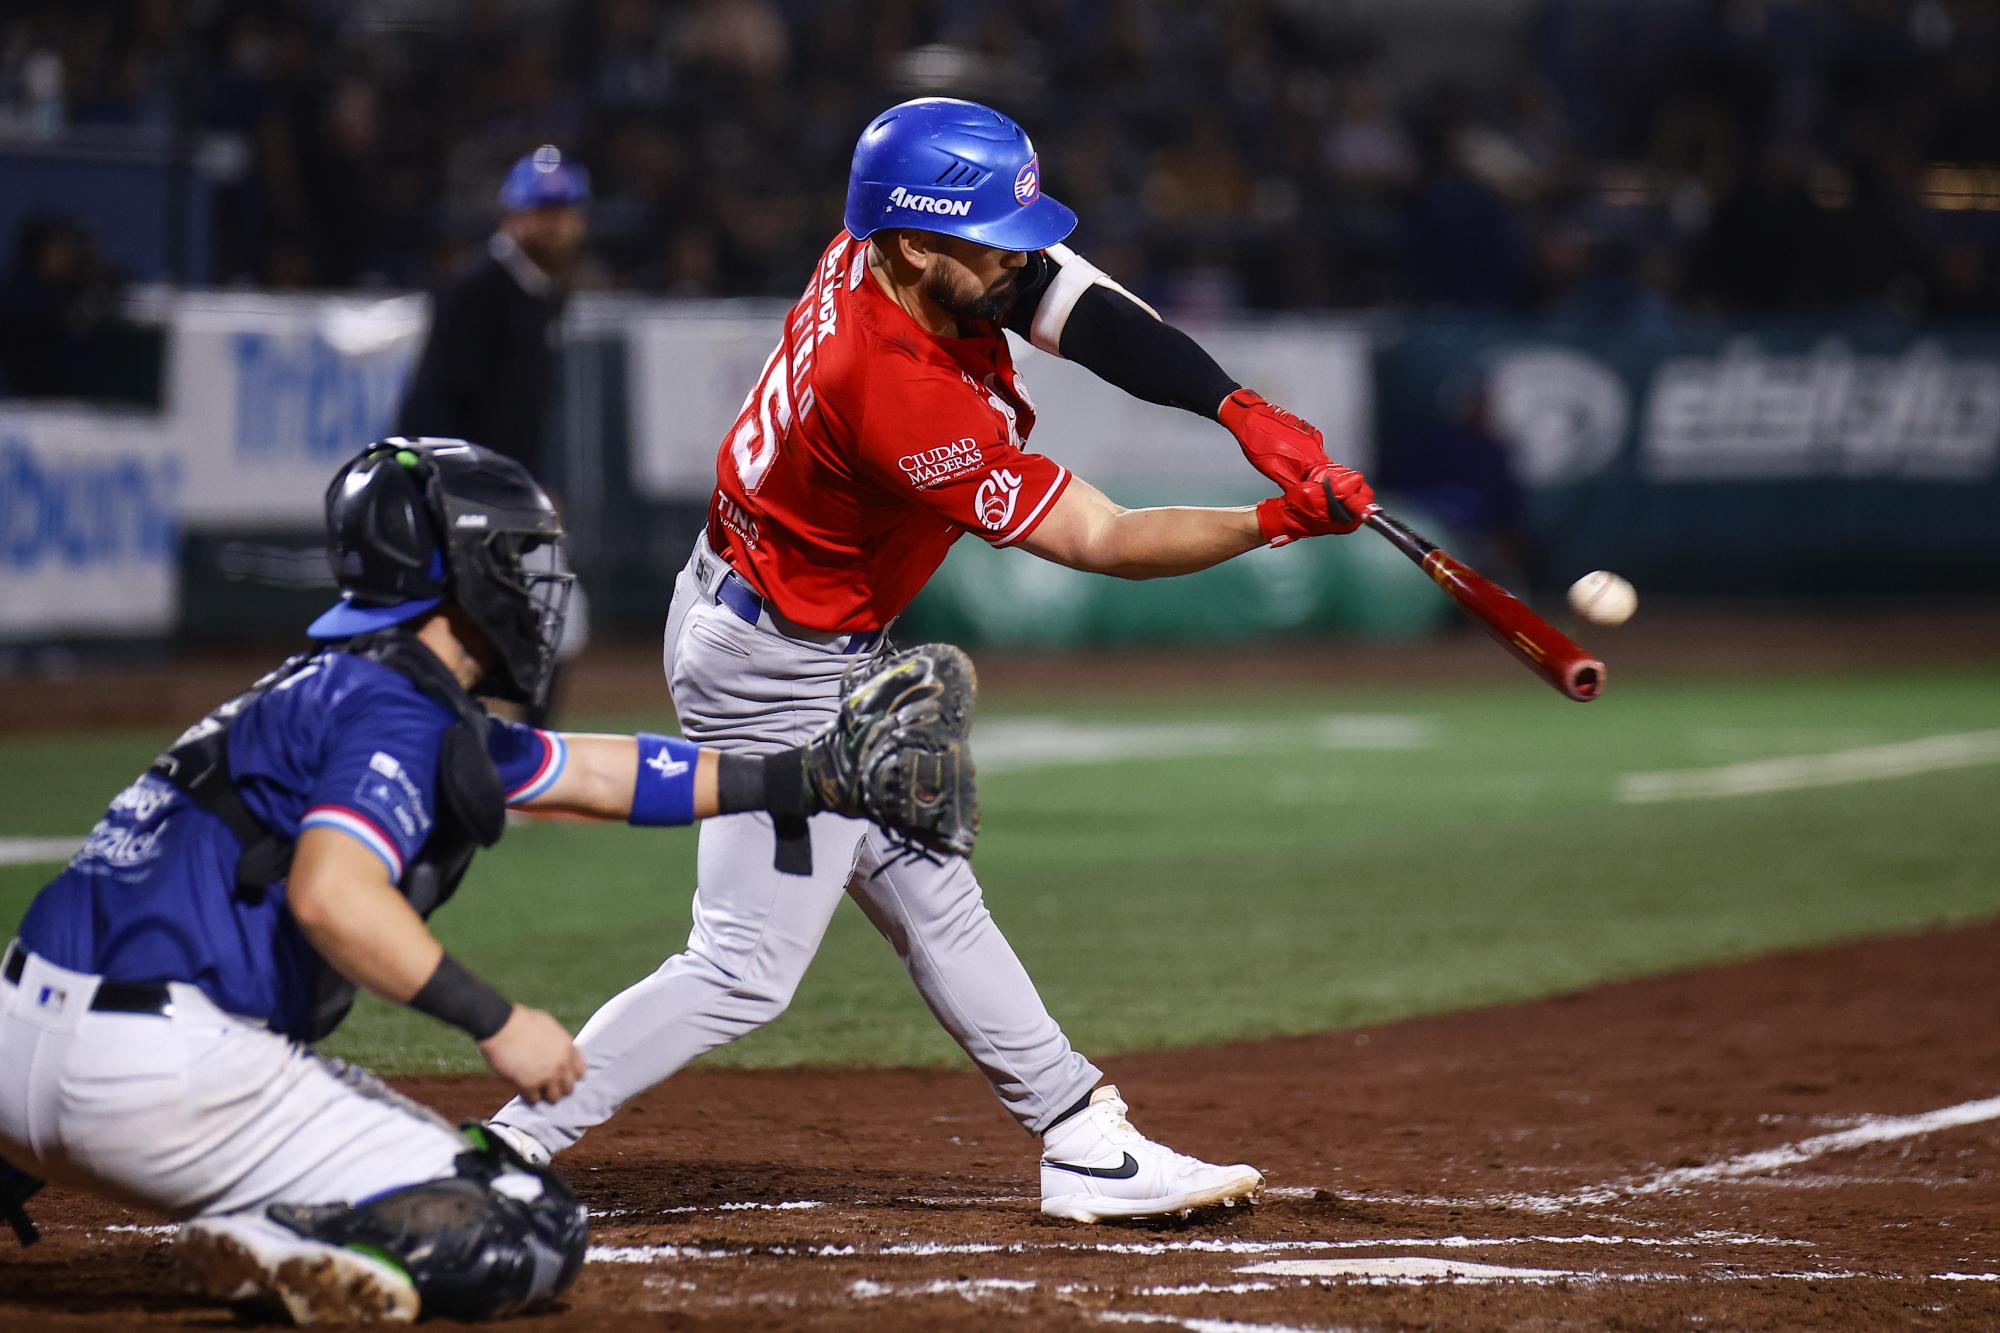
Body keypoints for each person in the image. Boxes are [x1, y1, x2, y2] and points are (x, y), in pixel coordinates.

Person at [488, 98, 1376, 1225]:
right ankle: (511, 1139)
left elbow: (1077, 300)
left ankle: (1078, 1135)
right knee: (742, 967)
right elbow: (1099, 538)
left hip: (788, 628)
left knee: (933, 890)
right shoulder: (895, 393)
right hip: (778, 665)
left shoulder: (879, 251)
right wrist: (1271, 520)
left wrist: (1236, 407)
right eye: (990, 242)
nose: (1018, 262)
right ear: (915, 240)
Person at [0, 438, 975, 1325]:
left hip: (21, 1053)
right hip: (159, 1073)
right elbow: (331, 895)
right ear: (450, 570)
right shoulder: (392, 705)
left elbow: (596, 772)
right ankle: (284, 1237)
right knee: (520, 1222)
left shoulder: (325, 684)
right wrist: (497, 1021)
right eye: (512, 558)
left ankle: (248, 1207)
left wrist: (804, 778)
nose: (531, 584)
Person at [395, 147, 589, 474]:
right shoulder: (473, 288)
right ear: (513, 218)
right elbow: (437, 403)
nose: (558, 227)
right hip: (465, 490)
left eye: (566, 212)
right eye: (544, 212)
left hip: (507, 486)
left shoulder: (545, 291)